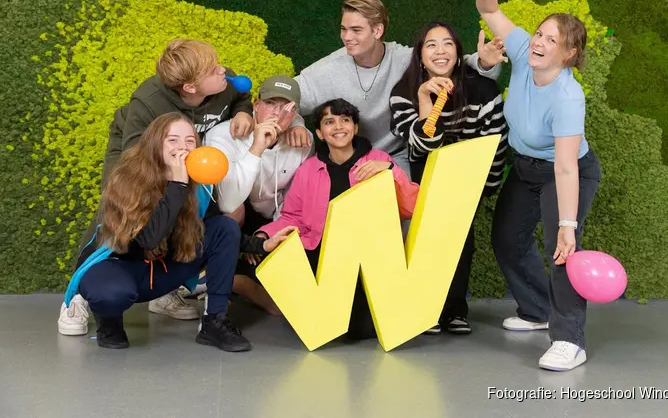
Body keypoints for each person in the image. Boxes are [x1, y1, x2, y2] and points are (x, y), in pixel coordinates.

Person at [57, 39, 301, 335]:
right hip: (138, 151)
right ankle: (78, 294)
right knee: (122, 206)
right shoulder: (148, 103)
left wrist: (242, 112)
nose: (222, 70)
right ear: (190, 87)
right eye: (213, 69)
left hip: (187, 149)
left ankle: (163, 289)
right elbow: (139, 159)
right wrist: (169, 177)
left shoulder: (220, 81)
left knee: (196, 211)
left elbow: (242, 95)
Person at [63, 113, 295, 351]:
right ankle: (109, 324)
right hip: (119, 267)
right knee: (112, 294)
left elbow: (217, 230)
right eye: (172, 140)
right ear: (156, 144)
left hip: (163, 270)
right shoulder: (127, 178)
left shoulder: (199, 184)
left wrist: (261, 245)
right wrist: (177, 184)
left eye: (190, 141)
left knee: (225, 225)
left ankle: (214, 321)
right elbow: (148, 240)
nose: (182, 147)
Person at [475, 0, 602, 371]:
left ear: (569, 54)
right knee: (507, 237)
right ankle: (537, 310)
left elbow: (565, 167)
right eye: (539, 34)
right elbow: (489, 11)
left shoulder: (568, 97)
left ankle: (570, 340)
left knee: (562, 250)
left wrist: (567, 224)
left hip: (567, 172)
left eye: (552, 40)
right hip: (526, 166)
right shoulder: (521, 52)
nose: (539, 42)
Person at [291, 0, 507, 176]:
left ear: (377, 31)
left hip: (395, 158)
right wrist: (296, 124)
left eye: (356, 30)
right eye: (343, 29)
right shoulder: (328, 69)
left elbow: (445, 61)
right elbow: (285, 96)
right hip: (347, 157)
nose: (347, 37)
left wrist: (484, 62)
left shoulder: (404, 59)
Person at [256, 99, 419, 340]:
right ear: (320, 133)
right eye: (329, 122)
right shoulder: (309, 169)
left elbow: (410, 207)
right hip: (322, 253)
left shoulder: (378, 159)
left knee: (359, 329)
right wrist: (265, 234)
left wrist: (390, 171)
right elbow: (293, 216)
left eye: (345, 120)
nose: (338, 127)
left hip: (366, 258)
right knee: (327, 326)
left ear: (355, 128)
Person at [389, 21, 509, 336]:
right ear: (419, 56)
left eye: (447, 44)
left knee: (461, 241)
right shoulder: (403, 93)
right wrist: (425, 100)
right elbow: (422, 145)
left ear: (458, 53)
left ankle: (455, 310)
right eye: (431, 45)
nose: (440, 51)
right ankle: (426, 311)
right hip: (426, 171)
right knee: (426, 238)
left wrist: (487, 187)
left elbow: (496, 143)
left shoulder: (484, 91)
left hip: (467, 176)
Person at [204, 75, 314, 315]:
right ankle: (218, 287)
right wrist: (257, 147)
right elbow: (227, 201)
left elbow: (294, 199)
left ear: (295, 113)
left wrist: (269, 234)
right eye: (270, 103)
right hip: (226, 218)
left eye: (286, 107)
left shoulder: (301, 139)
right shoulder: (223, 135)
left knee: (285, 305)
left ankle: (240, 283)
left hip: (270, 219)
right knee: (234, 211)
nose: (277, 113)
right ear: (255, 105)